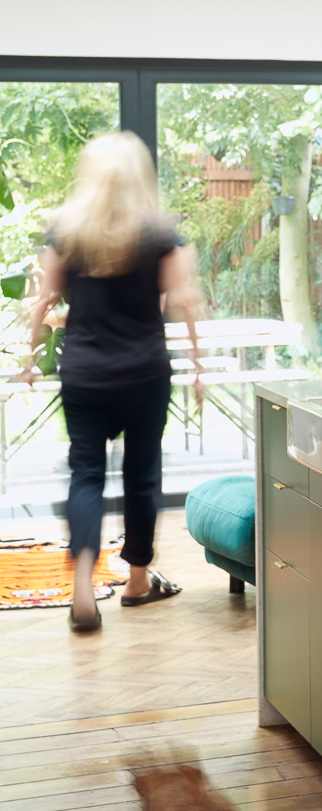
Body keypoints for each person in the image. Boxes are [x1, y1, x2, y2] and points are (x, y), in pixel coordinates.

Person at [21, 132, 204, 632]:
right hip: (144, 373)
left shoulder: (67, 231)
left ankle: (83, 586)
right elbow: (185, 300)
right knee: (142, 476)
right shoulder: (160, 233)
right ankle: (137, 580)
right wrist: (200, 368)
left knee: (86, 474)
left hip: (84, 374)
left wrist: (28, 359)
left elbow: (43, 302)